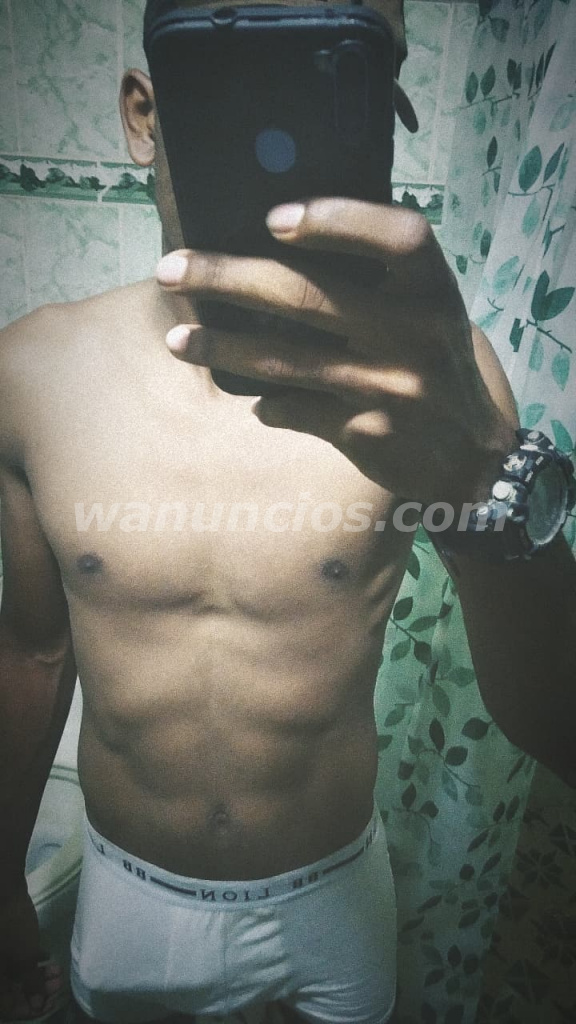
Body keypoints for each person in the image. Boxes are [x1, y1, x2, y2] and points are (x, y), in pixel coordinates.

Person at [1, 0, 575, 1022]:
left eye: (342, 72)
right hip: (131, 896)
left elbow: (558, 728)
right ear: (144, 113)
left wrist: (485, 473)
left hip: (331, 899)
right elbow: (35, 651)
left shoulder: (435, 382)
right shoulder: (30, 371)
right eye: (237, 67)